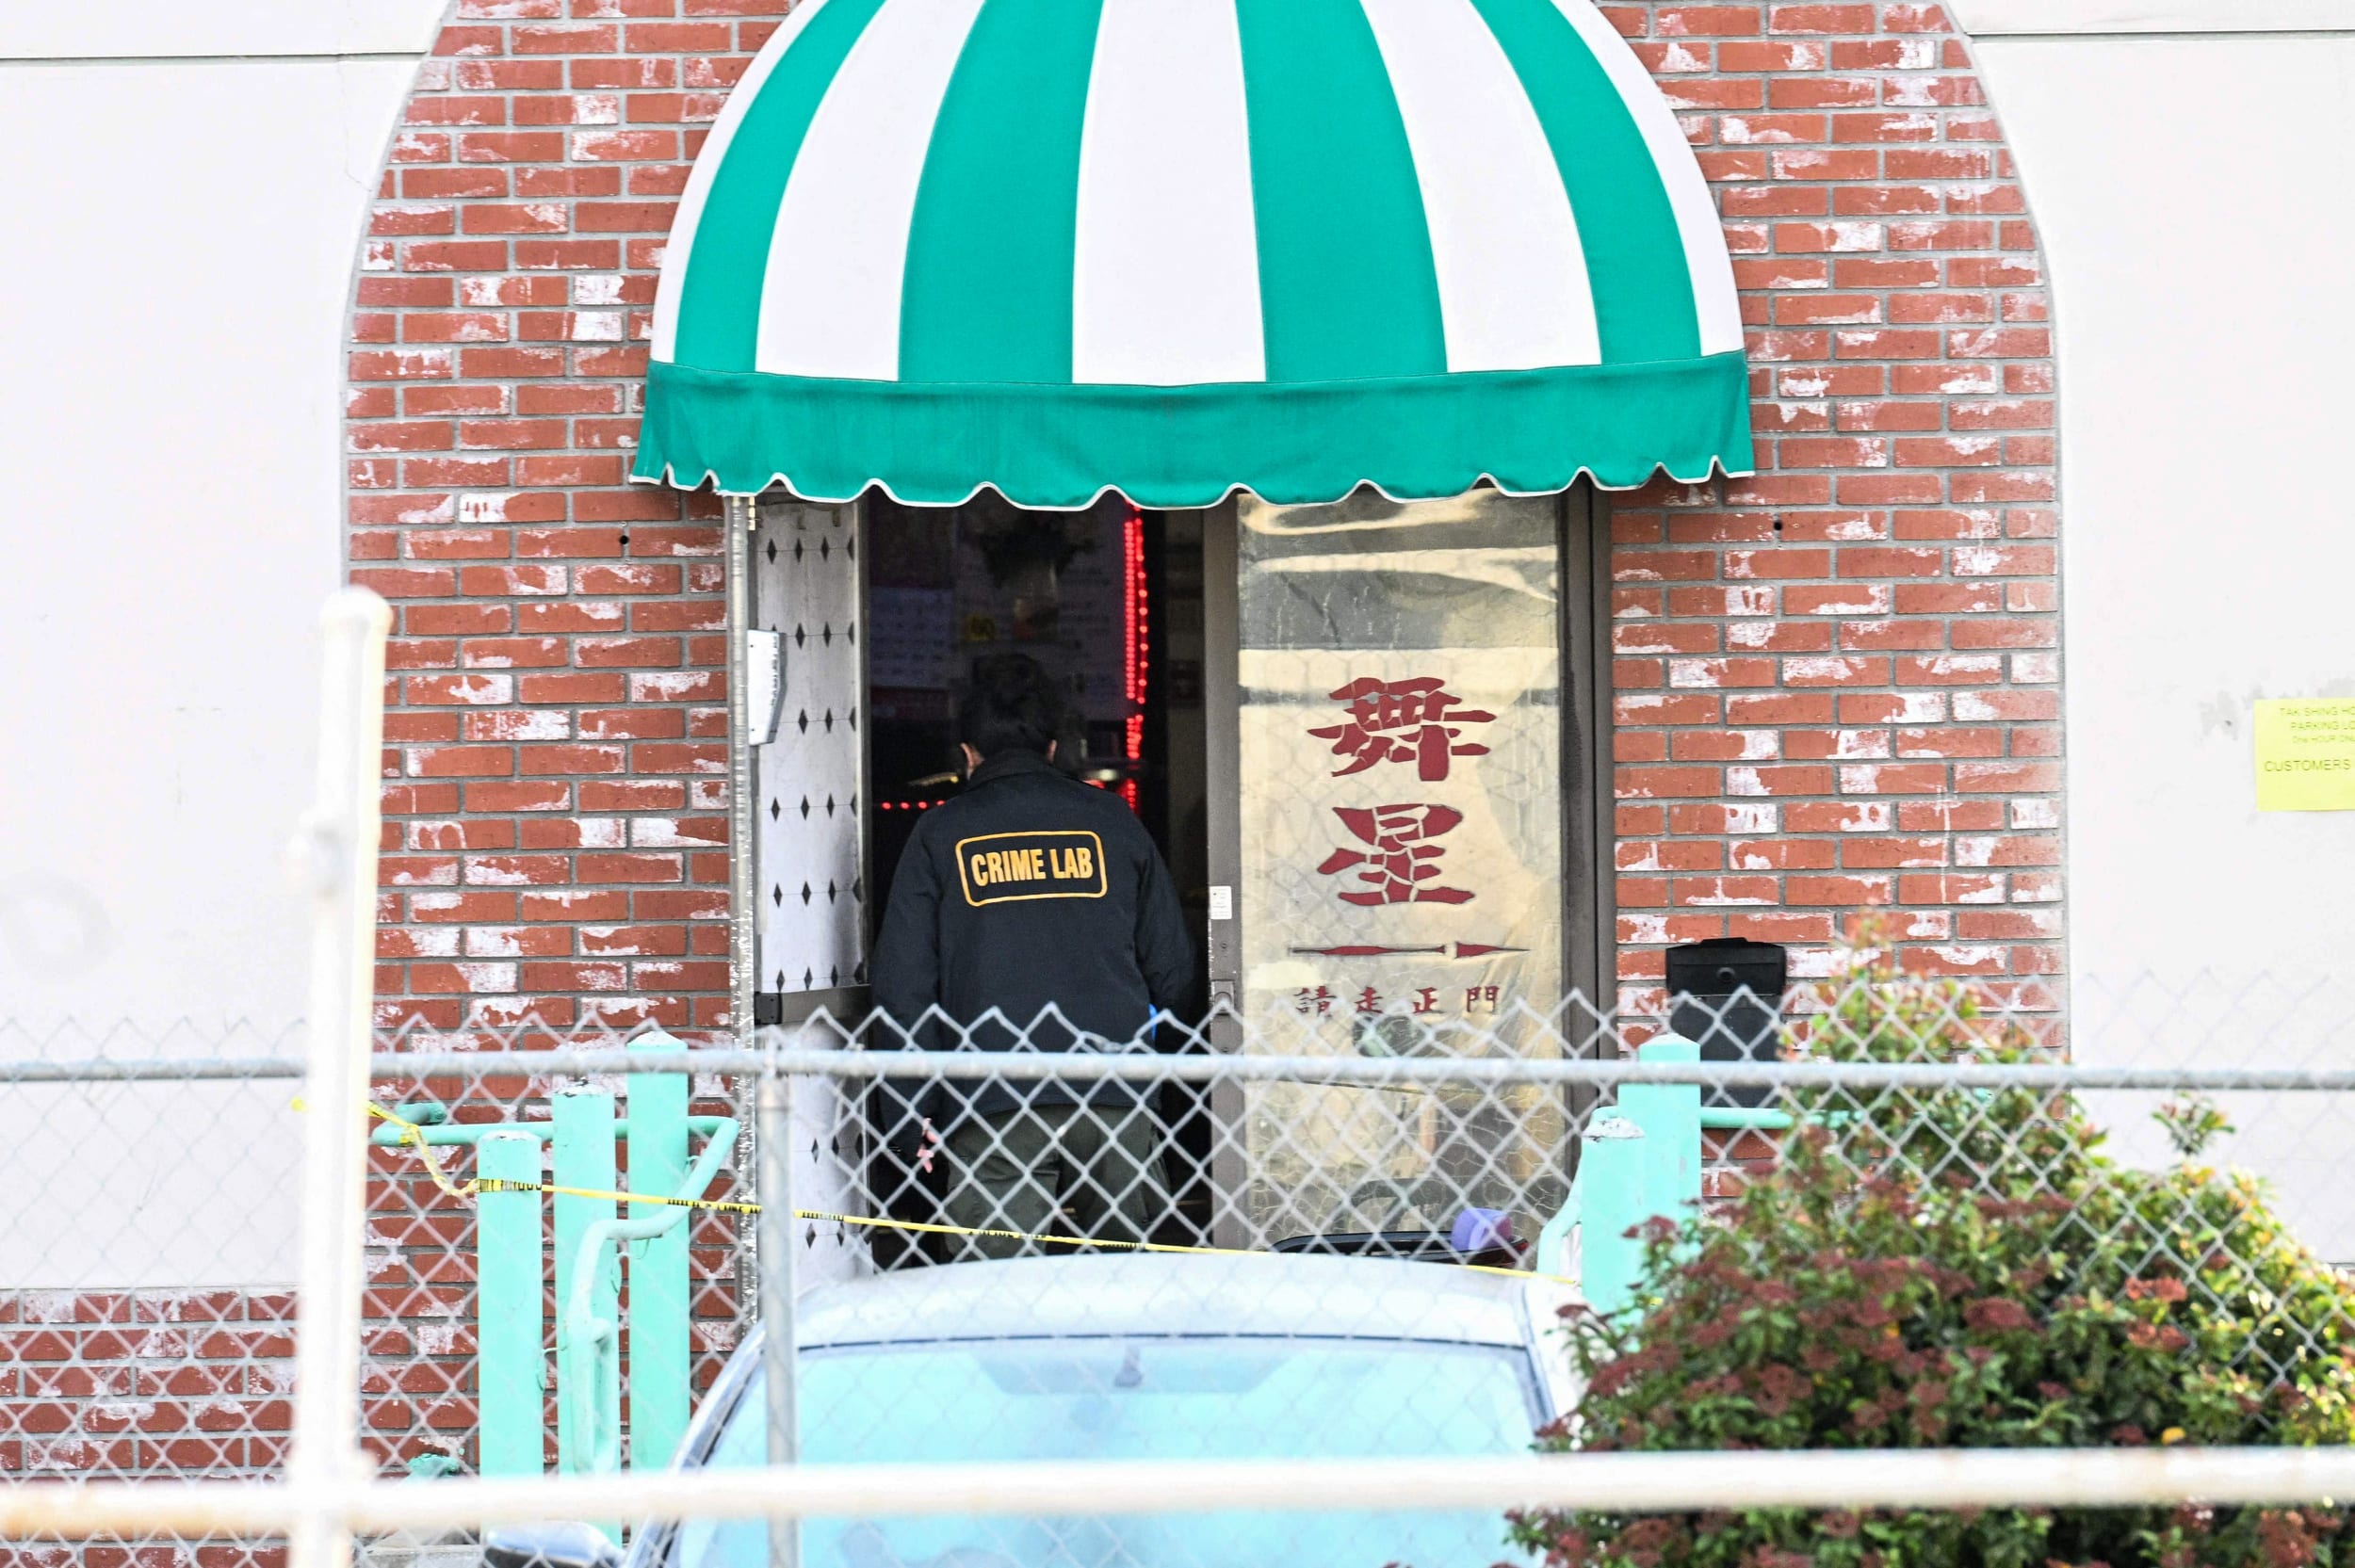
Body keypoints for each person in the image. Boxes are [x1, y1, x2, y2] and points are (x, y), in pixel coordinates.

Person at [871, 654, 1194, 1261]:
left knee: (997, 1292)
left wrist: (910, 1110)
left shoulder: (942, 834)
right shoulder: (1111, 820)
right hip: (1114, 1087)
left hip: (990, 1095)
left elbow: (905, 988)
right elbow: (1172, 970)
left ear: (967, 753)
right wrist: (1166, 1084)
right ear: (1052, 747)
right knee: (1124, 1282)